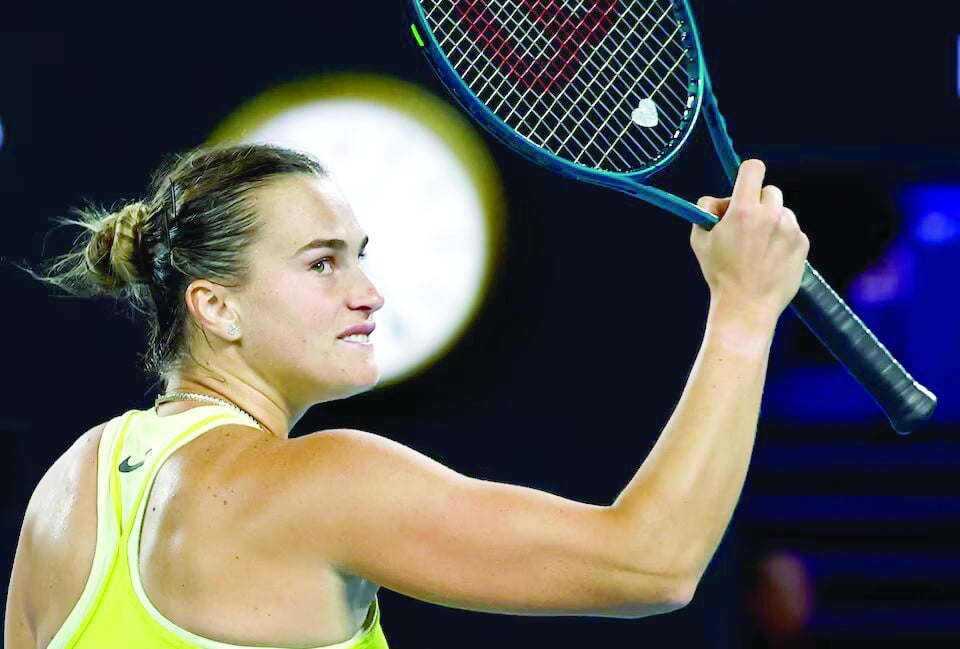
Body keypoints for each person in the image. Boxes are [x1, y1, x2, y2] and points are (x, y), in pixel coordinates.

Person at [3, 143, 809, 649]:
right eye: (323, 264)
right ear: (216, 305)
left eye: (360, 256)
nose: (370, 294)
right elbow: (651, 563)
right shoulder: (324, 483)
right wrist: (743, 310)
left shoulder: (65, 490)